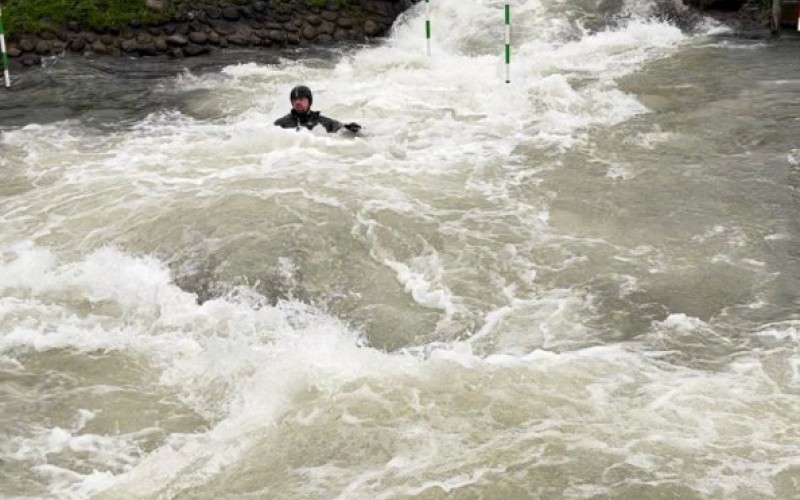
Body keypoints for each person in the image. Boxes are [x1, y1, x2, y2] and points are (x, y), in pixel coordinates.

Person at [274, 85, 361, 134]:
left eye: (301, 99)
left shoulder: (323, 122)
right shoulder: (281, 123)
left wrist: (351, 128)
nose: (297, 102)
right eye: (294, 100)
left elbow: (343, 129)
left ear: (309, 101)